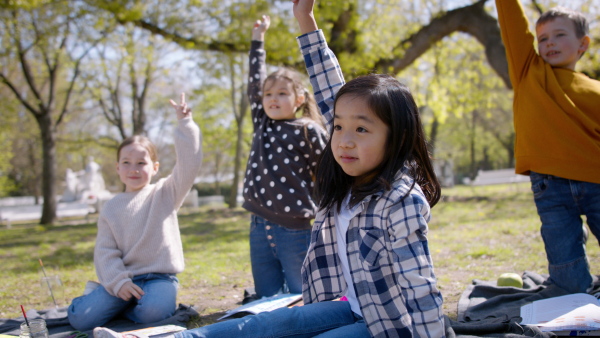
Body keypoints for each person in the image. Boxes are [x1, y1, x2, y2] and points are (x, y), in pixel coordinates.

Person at [172, 1, 445, 336]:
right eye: (338, 127)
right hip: (351, 308)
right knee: (262, 324)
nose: (343, 140)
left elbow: (421, 288)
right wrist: (305, 19)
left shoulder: (401, 200)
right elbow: (329, 85)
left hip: (385, 327)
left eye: (361, 130)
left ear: (397, 136)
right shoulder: (349, 181)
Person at [67, 93, 203, 331]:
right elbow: (105, 251)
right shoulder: (111, 207)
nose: (134, 169)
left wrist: (185, 123)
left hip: (160, 279)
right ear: (118, 168)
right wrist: (118, 283)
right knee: (82, 319)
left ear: (155, 168)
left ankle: (129, 308)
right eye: (127, 163)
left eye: (141, 163)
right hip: (123, 279)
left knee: (154, 312)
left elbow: (190, 163)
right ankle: (100, 297)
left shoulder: (166, 192)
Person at [496, 0, 600, 294]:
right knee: (568, 279)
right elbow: (513, 25)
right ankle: (577, 299)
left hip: (597, 181)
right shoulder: (529, 72)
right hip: (550, 187)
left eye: (559, 35)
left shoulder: (596, 90)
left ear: (583, 44)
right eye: (543, 38)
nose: (549, 43)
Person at [242, 14, 328, 299]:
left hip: (294, 230)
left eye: (282, 93)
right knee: (267, 297)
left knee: (302, 294)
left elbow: (328, 173)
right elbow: (254, 82)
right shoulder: (262, 122)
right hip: (258, 225)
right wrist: (258, 40)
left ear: (299, 99)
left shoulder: (308, 130)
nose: (272, 99)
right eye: (268, 94)